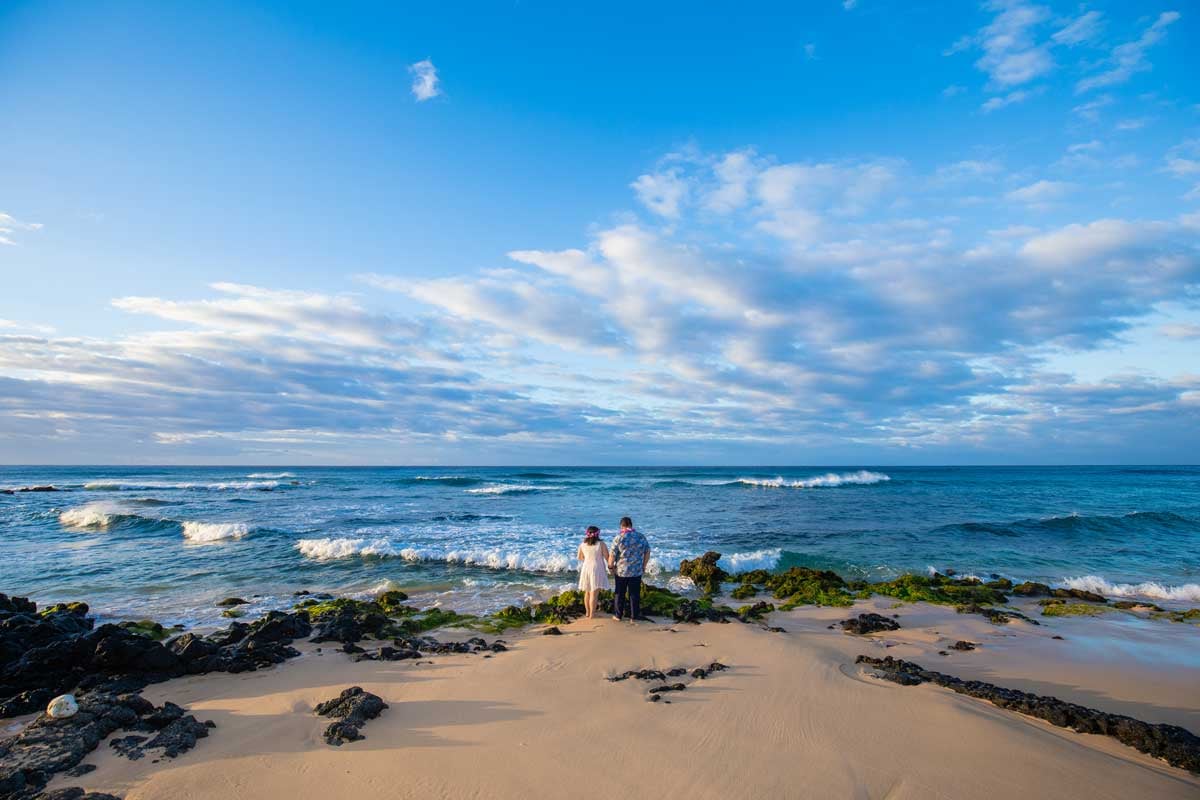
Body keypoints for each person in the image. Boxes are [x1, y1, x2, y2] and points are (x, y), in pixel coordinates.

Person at [608, 516, 650, 622]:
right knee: (634, 594)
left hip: (621, 571)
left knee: (619, 593)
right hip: (636, 571)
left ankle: (618, 616)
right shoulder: (641, 537)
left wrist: (610, 566)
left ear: (621, 526)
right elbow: (647, 551)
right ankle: (634, 617)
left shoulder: (619, 537)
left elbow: (612, 555)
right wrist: (644, 565)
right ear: (631, 525)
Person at [576, 525, 610, 619]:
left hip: (586, 568)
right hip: (597, 568)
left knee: (587, 592)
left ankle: (587, 612)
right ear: (598, 534)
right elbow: (607, 557)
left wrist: (587, 558)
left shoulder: (582, 544)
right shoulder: (601, 544)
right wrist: (612, 568)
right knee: (594, 593)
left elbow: (580, 557)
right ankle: (592, 614)